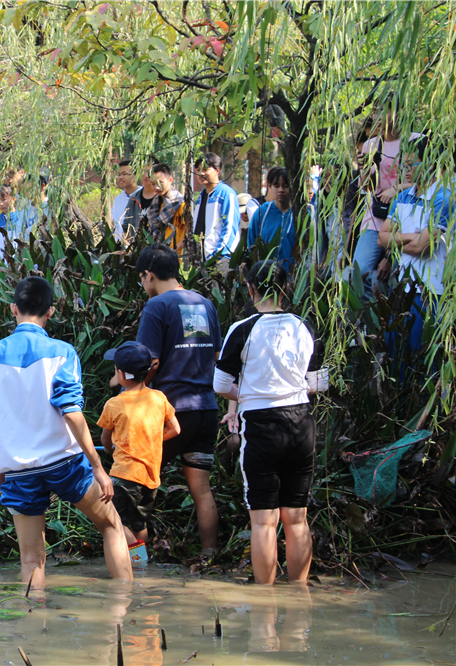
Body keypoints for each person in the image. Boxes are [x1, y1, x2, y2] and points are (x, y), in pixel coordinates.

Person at [0, 276, 132, 587]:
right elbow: (71, 413)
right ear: (51, 312)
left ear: (12, 309)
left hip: (18, 469)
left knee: (31, 558)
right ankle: (125, 614)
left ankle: (33, 631)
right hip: (65, 463)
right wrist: (98, 469)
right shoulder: (62, 351)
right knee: (111, 525)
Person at [213, 261, 328, 585]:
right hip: (300, 425)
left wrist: (249, 396)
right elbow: (319, 383)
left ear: (251, 289)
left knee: (264, 522)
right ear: (286, 286)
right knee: (296, 518)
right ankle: (299, 594)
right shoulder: (304, 326)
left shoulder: (243, 329)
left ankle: (265, 604)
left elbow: (220, 385)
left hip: (261, 427)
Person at [134, 243, 222, 554]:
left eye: (141, 279)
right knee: (202, 490)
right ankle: (210, 554)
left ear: (149, 275)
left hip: (172, 413)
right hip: (206, 409)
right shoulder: (205, 304)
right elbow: (215, 355)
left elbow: (150, 362)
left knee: (138, 486)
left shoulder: (156, 307)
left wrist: (128, 396)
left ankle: (137, 564)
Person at [98, 342, 180, 545]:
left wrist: (108, 450)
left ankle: (130, 561)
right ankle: (143, 565)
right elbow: (175, 429)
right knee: (139, 524)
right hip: (150, 476)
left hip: (125, 474)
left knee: (115, 521)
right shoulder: (159, 398)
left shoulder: (114, 404)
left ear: (121, 374)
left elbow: (105, 439)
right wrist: (148, 438)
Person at [378, 135, 451, 356]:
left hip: (428, 291)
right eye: (404, 165)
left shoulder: (443, 198)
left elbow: (423, 248)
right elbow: (382, 238)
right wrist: (412, 237)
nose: (406, 170)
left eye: (412, 164)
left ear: (430, 162)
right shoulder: (402, 197)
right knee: (395, 351)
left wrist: (397, 240)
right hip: (402, 288)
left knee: (420, 353)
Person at [355, 103, 421, 300]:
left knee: (393, 279)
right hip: (376, 217)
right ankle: (366, 322)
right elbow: (367, 188)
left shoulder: (415, 140)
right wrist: (364, 169)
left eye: (386, 110)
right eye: (377, 111)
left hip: (405, 218)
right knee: (359, 272)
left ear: (400, 112)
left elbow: (424, 180)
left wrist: (398, 188)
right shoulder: (371, 144)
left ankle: (390, 324)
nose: (380, 115)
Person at [192, 153, 240, 261]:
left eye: (205, 169)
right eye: (198, 169)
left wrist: (220, 256)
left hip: (219, 258)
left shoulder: (226, 194)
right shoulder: (201, 197)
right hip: (201, 259)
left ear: (217, 170)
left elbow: (230, 227)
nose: (201, 173)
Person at [246, 167, 296, 265]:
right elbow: (251, 245)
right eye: (276, 186)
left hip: (294, 275)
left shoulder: (299, 213)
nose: (281, 190)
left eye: (285, 186)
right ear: (270, 186)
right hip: (265, 274)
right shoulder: (262, 212)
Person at [142, 163, 185, 250]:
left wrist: (173, 251)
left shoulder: (180, 204)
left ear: (170, 180)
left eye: (160, 183)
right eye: (153, 184)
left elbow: (188, 235)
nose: (157, 187)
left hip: (175, 256)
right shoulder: (155, 204)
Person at [0, 185, 25, 262]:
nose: (0, 204)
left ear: (13, 199)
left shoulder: (22, 218)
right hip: (0, 267)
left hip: (19, 266)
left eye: (3, 200)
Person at [111, 159, 142, 243]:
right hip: (119, 247)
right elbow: (113, 224)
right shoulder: (118, 199)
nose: (120, 177)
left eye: (124, 174)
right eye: (119, 175)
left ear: (136, 175)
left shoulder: (143, 196)